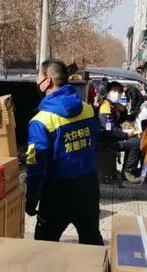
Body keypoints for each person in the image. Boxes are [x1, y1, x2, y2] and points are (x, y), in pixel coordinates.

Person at [25, 59, 103, 246]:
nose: (36, 81)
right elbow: (95, 145)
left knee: (43, 247)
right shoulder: (87, 109)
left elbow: (35, 165)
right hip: (89, 187)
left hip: (57, 193)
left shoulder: (41, 121)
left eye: (38, 76)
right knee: (92, 244)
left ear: (48, 81)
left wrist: (31, 199)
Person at [98, 81, 142, 183]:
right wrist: (126, 135)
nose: (117, 94)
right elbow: (109, 130)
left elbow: (121, 121)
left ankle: (126, 171)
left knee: (135, 139)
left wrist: (124, 111)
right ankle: (128, 172)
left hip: (112, 138)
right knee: (136, 142)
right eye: (115, 91)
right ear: (108, 92)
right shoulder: (105, 107)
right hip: (107, 141)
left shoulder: (113, 105)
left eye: (120, 92)